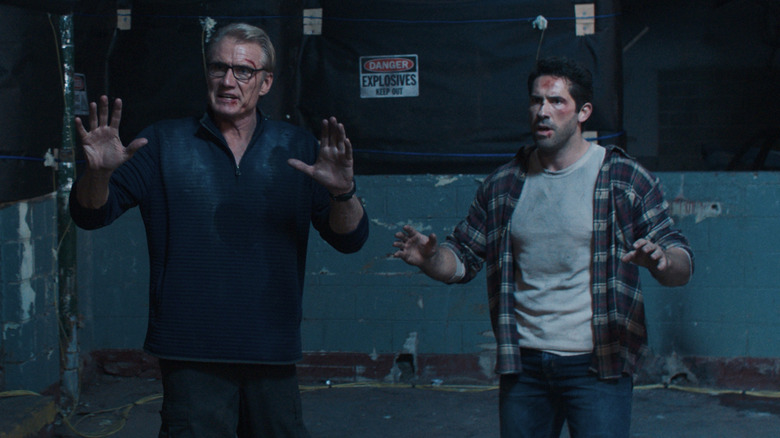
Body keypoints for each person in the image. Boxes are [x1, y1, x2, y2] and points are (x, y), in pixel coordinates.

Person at [70, 23, 368, 437]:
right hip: (190, 350)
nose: (228, 81)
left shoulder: (297, 149)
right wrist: (98, 175)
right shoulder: (162, 143)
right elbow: (90, 214)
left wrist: (342, 193)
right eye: (218, 68)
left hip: (271, 347)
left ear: (265, 82)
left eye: (243, 71)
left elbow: (350, 239)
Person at [392, 56, 693, 438]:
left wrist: (663, 262)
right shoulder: (503, 184)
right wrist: (432, 258)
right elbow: (463, 259)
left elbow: (681, 261)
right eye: (536, 101)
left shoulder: (624, 178)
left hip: (599, 363)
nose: (543, 111)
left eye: (556, 101)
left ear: (583, 112)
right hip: (525, 365)